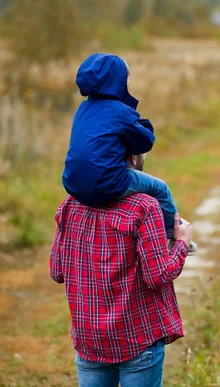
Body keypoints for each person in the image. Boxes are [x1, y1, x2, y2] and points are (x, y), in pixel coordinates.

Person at [50, 153, 193, 387]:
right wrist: (181, 243)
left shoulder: (70, 205)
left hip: (90, 340)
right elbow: (157, 275)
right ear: (133, 156)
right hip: (136, 339)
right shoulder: (145, 206)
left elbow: (57, 271)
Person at [62, 52, 197, 255]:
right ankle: (173, 235)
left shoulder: (83, 109)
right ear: (118, 82)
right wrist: (139, 123)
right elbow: (145, 142)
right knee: (160, 188)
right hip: (109, 182)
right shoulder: (119, 110)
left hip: (73, 184)